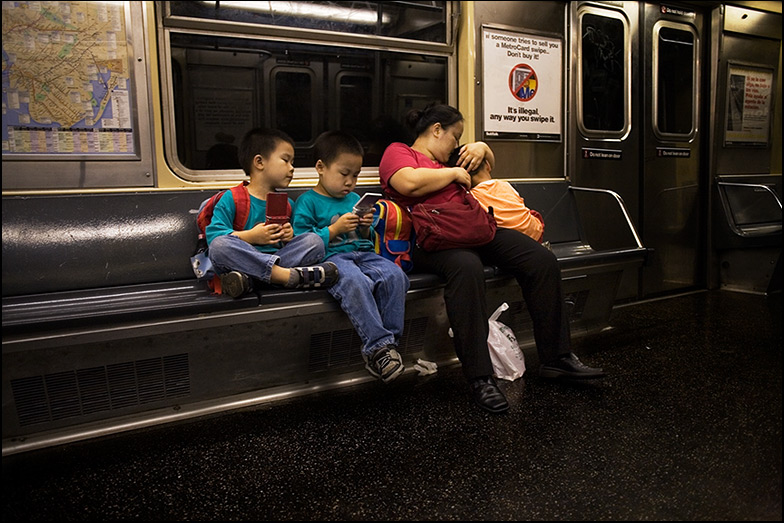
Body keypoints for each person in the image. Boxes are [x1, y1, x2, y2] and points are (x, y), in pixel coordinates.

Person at [378, 103, 604, 414]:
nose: (457, 145)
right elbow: (408, 183)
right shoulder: (400, 152)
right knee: (467, 267)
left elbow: (486, 162)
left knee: (540, 260)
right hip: (429, 238)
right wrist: (454, 172)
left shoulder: (448, 157)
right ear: (436, 130)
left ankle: (557, 358)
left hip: (471, 226)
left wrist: (482, 147)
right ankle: (480, 378)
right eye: (455, 136)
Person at [292, 131, 410, 383]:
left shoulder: (355, 199)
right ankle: (378, 347)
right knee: (356, 281)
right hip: (333, 259)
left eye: (355, 175)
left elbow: (366, 237)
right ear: (321, 168)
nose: (350, 182)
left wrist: (366, 225)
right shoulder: (308, 202)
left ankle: (389, 347)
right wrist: (333, 230)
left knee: (395, 275)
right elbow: (301, 242)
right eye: (344, 174)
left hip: (363, 254)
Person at [206, 128, 340, 298]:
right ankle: (283, 276)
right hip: (242, 259)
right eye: (286, 160)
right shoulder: (232, 198)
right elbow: (214, 236)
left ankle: (251, 281)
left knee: (314, 241)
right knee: (219, 247)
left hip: (274, 260)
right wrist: (251, 236)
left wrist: (290, 236)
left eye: (293, 162)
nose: (292, 168)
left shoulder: (287, 204)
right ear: (259, 162)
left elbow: (295, 243)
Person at [467, 157, 545, 242]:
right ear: (488, 166)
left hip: (507, 240)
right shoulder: (504, 184)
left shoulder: (471, 195)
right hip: (534, 232)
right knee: (532, 213)